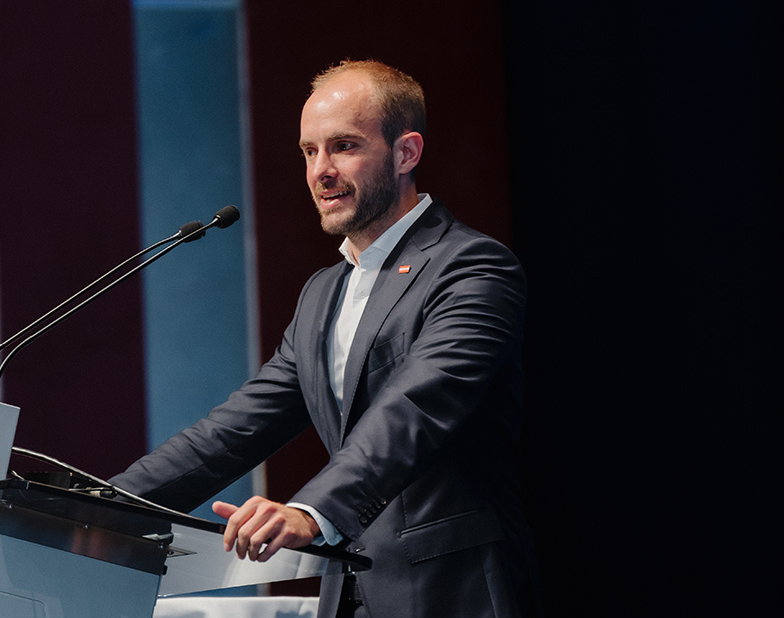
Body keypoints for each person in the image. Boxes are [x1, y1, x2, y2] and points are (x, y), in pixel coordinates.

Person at [110, 59, 541, 617]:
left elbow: (413, 412)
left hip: (451, 592)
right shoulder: (323, 293)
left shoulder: (473, 268)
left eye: (343, 147)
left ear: (406, 153)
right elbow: (234, 429)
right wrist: (103, 505)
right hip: (350, 598)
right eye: (309, 152)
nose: (321, 171)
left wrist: (312, 511)